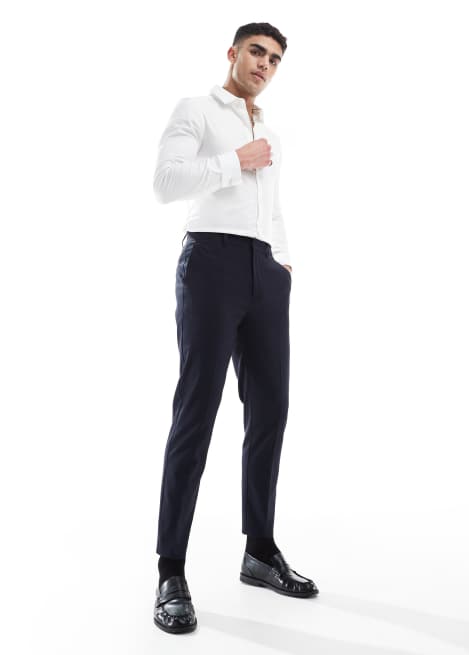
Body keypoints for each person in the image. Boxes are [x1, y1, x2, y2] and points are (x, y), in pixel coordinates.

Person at [152, 22, 319, 634]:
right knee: (196, 412)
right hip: (210, 263)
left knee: (271, 409)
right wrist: (233, 162)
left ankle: (260, 551)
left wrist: (282, 261)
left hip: (263, 271)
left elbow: (271, 207)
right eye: (256, 52)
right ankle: (171, 571)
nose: (264, 64)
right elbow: (165, 183)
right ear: (233, 53)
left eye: (274, 59)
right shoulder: (196, 111)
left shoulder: (270, 133)